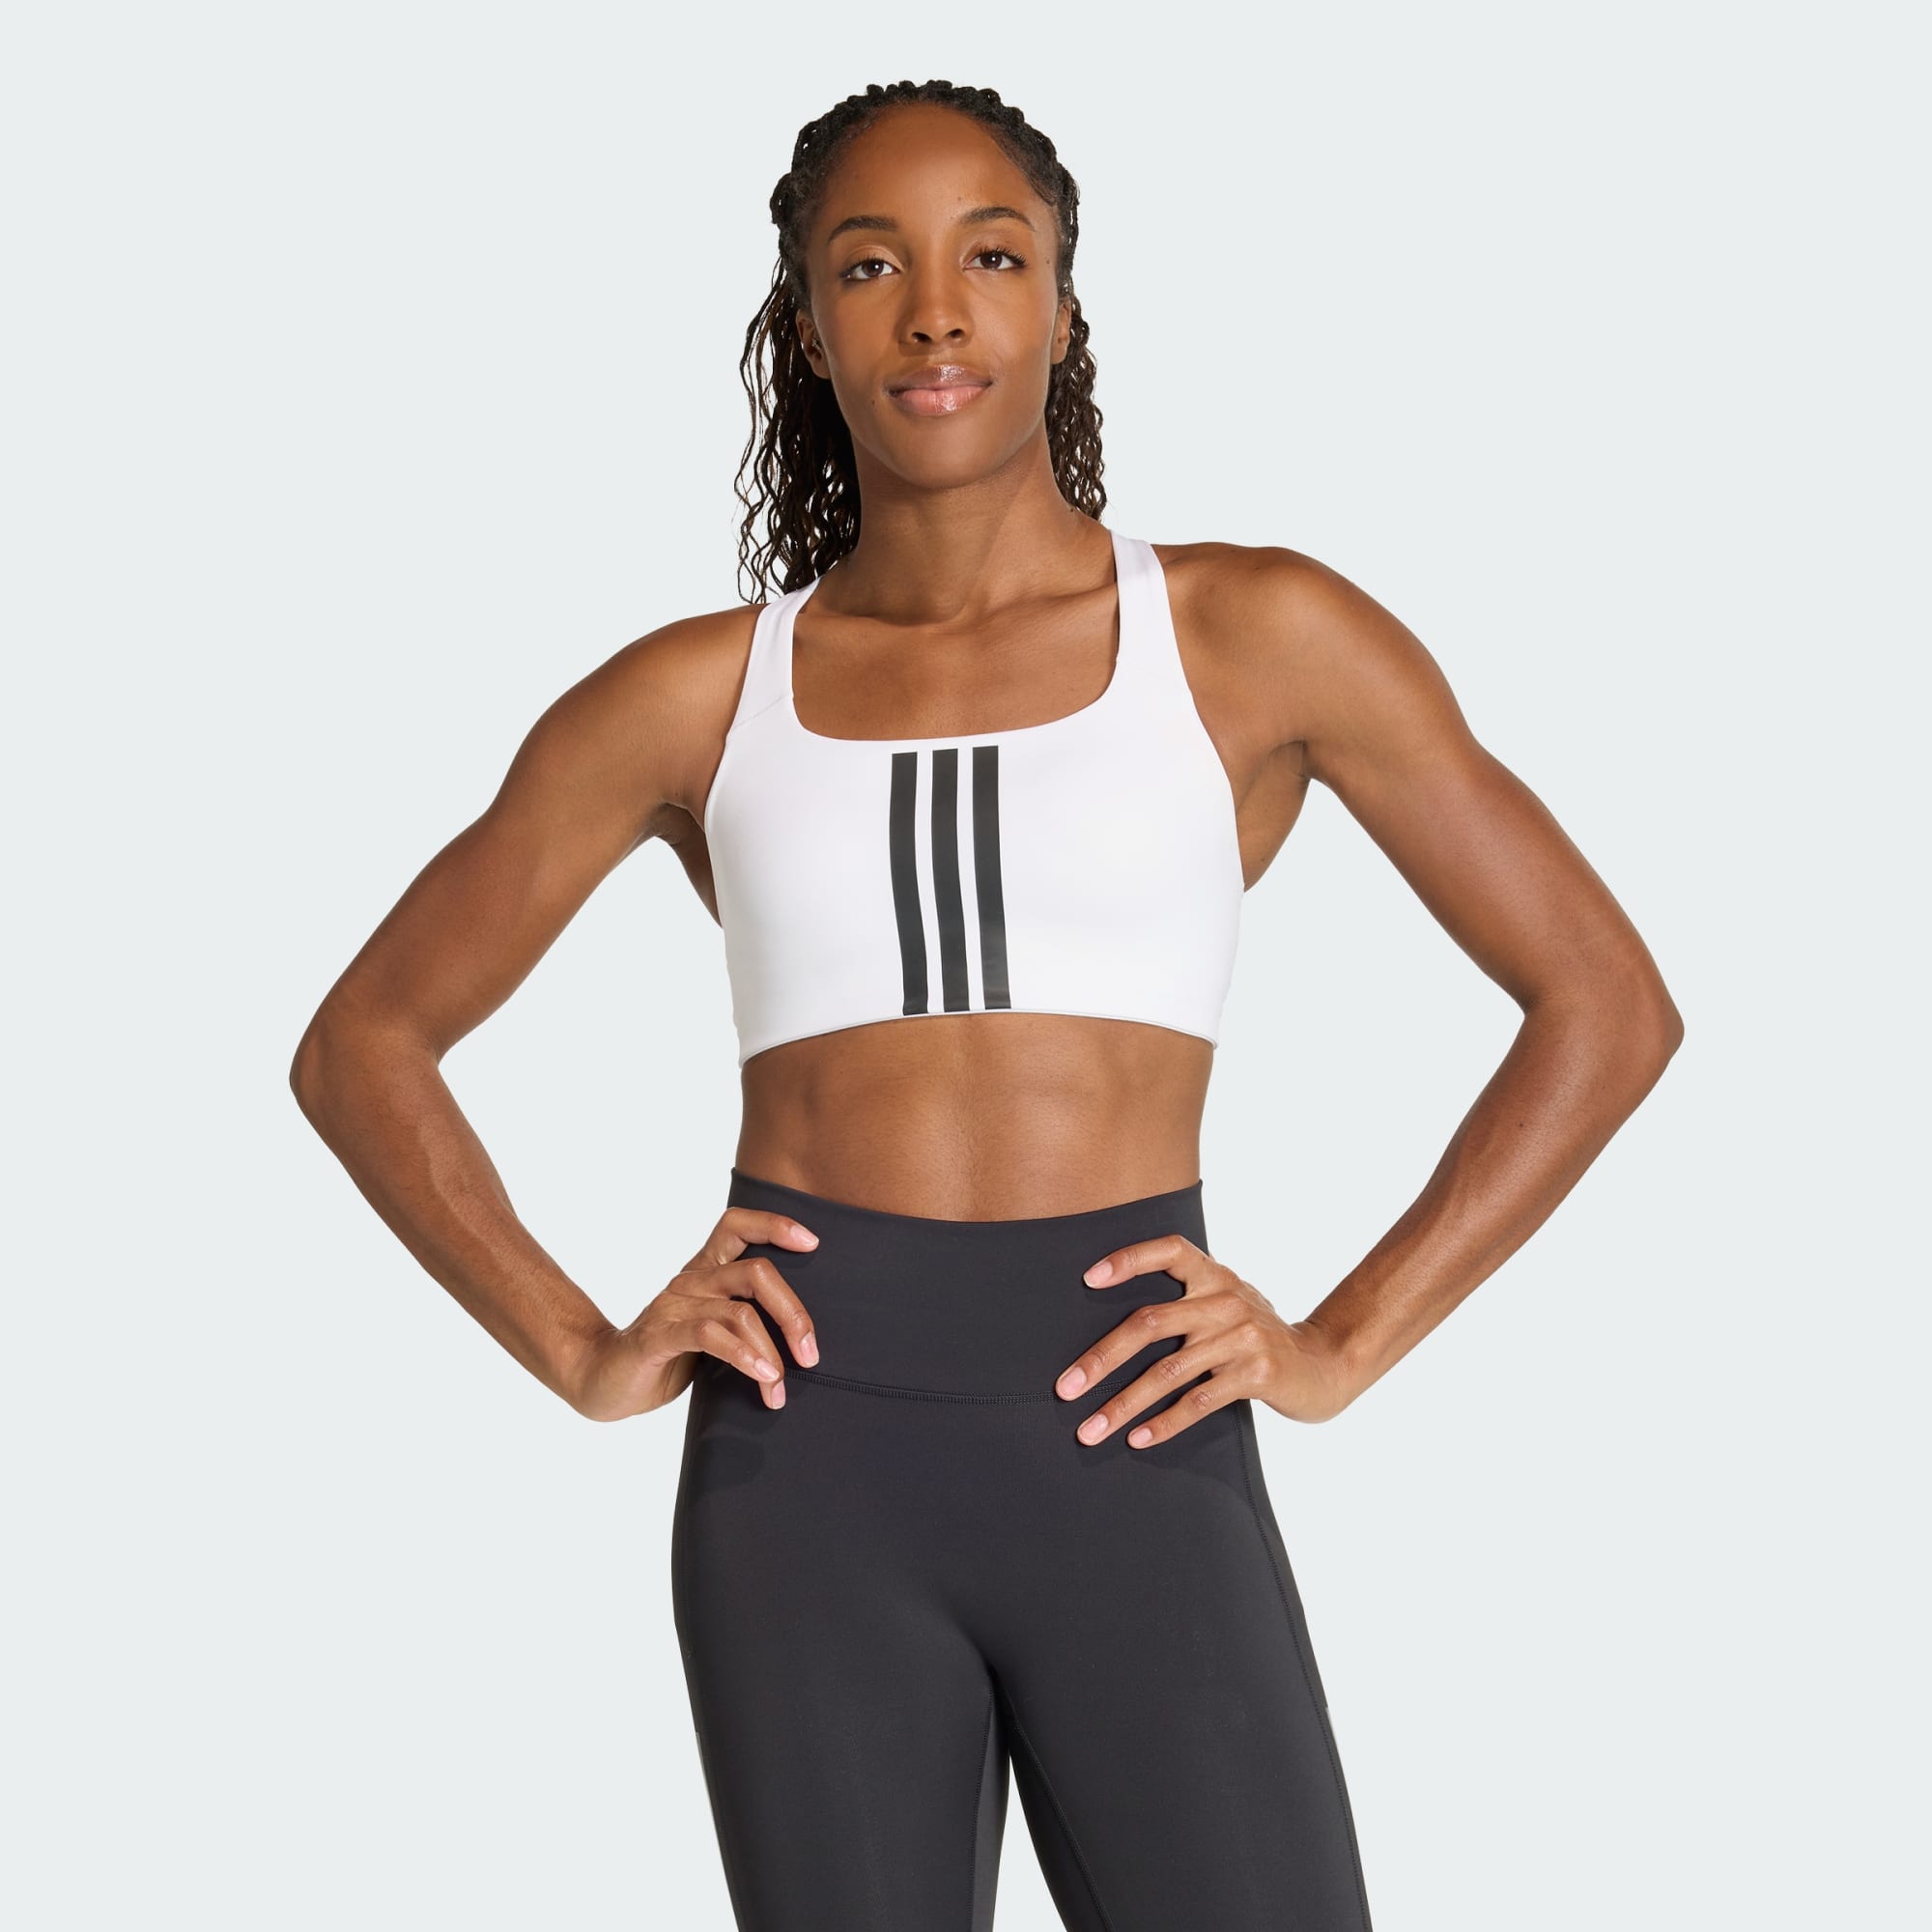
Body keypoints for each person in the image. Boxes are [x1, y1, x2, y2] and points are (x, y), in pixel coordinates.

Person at [291, 76, 1683, 1932]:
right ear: (808, 326)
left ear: (1066, 306)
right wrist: (581, 1345)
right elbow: (364, 1044)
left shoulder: (1253, 635)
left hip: (1137, 1427)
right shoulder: (696, 695)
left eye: (993, 257)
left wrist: (1340, 1345)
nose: (936, 312)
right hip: (806, 1465)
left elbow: (1603, 1002)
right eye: (871, 266)